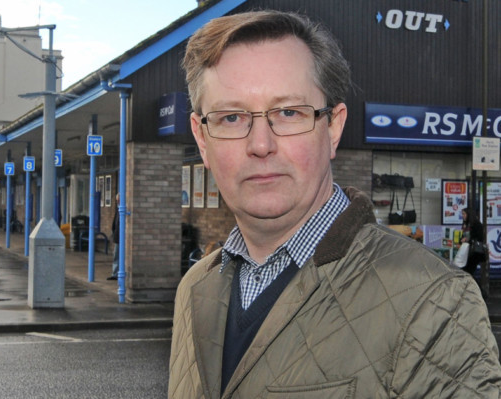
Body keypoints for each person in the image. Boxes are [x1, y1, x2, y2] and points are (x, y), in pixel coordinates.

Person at [168, 10, 501, 398]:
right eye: (231, 117)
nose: (260, 145)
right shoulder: (194, 288)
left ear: (333, 128)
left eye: (289, 112)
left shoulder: (434, 299)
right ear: (202, 138)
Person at [462, 207, 486, 276]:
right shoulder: (465, 224)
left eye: (464, 214)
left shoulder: (476, 224)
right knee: (467, 271)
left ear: (469, 214)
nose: (463, 216)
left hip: (474, 252)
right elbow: (463, 235)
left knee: (469, 271)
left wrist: (468, 240)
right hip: (466, 251)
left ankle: (476, 285)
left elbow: (479, 237)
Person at [107, 193, 120, 280]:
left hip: (121, 236)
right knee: (116, 255)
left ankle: (117, 273)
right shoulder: (118, 209)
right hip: (117, 236)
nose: (117, 201)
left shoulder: (122, 209)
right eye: (117, 200)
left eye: (118, 200)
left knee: (118, 255)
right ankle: (115, 273)